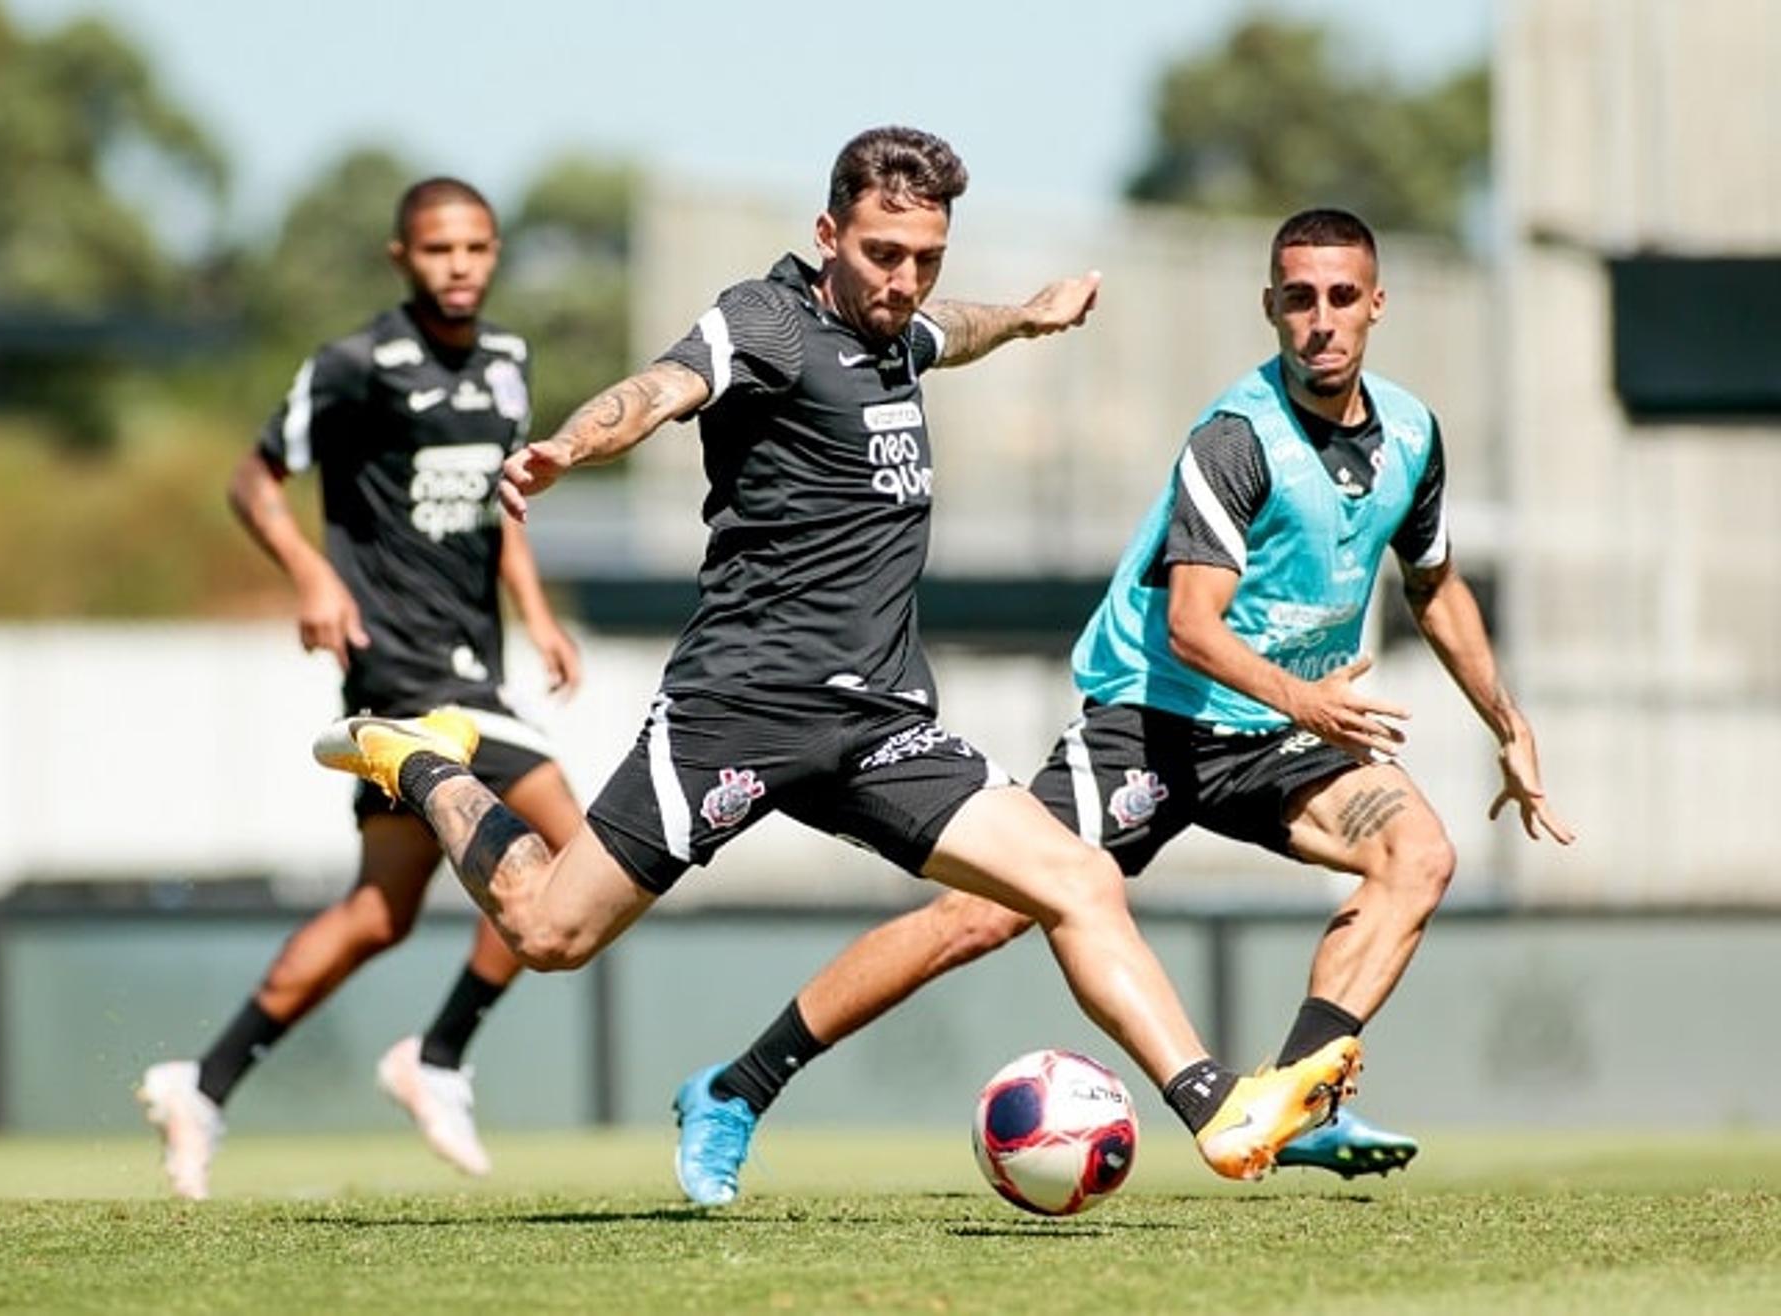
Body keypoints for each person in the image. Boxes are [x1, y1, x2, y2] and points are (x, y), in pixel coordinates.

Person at [314, 127, 1363, 1196]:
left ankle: (1215, 1105)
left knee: (1080, 876)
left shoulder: (899, 331)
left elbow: (950, 329)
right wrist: (570, 445)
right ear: (827, 234)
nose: (904, 281)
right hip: (741, 706)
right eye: (880, 254)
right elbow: (663, 385)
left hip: (880, 728)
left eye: (925, 258)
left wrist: (1028, 317)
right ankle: (427, 766)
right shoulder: (764, 318)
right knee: (547, 930)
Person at [664, 205, 1578, 1204]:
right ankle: (735, 1086)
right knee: (974, 918)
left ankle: (1293, 1101)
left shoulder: (1410, 433)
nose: (1322, 318)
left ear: (1377, 304)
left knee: (1421, 855)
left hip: (1281, 730)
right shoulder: (1238, 438)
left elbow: (1435, 583)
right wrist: (1306, 702)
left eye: (1343, 297)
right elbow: (1192, 624)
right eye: (1301, 298)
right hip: (1153, 717)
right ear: (1271, 307)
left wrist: (1508, 721)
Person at [137, 178, 590, 1200]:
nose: (460, 264)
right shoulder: (355, 363)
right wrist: (309, 570)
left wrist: (538, 613)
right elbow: (254, 477)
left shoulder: (510, 363)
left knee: (382, 911)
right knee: (573, 849)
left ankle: (203, 1083)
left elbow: (498, 508)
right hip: (401, 666)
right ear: (401, 257)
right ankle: (437, 1053)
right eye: (439, 248)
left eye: (477, 246)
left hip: (475, 664)